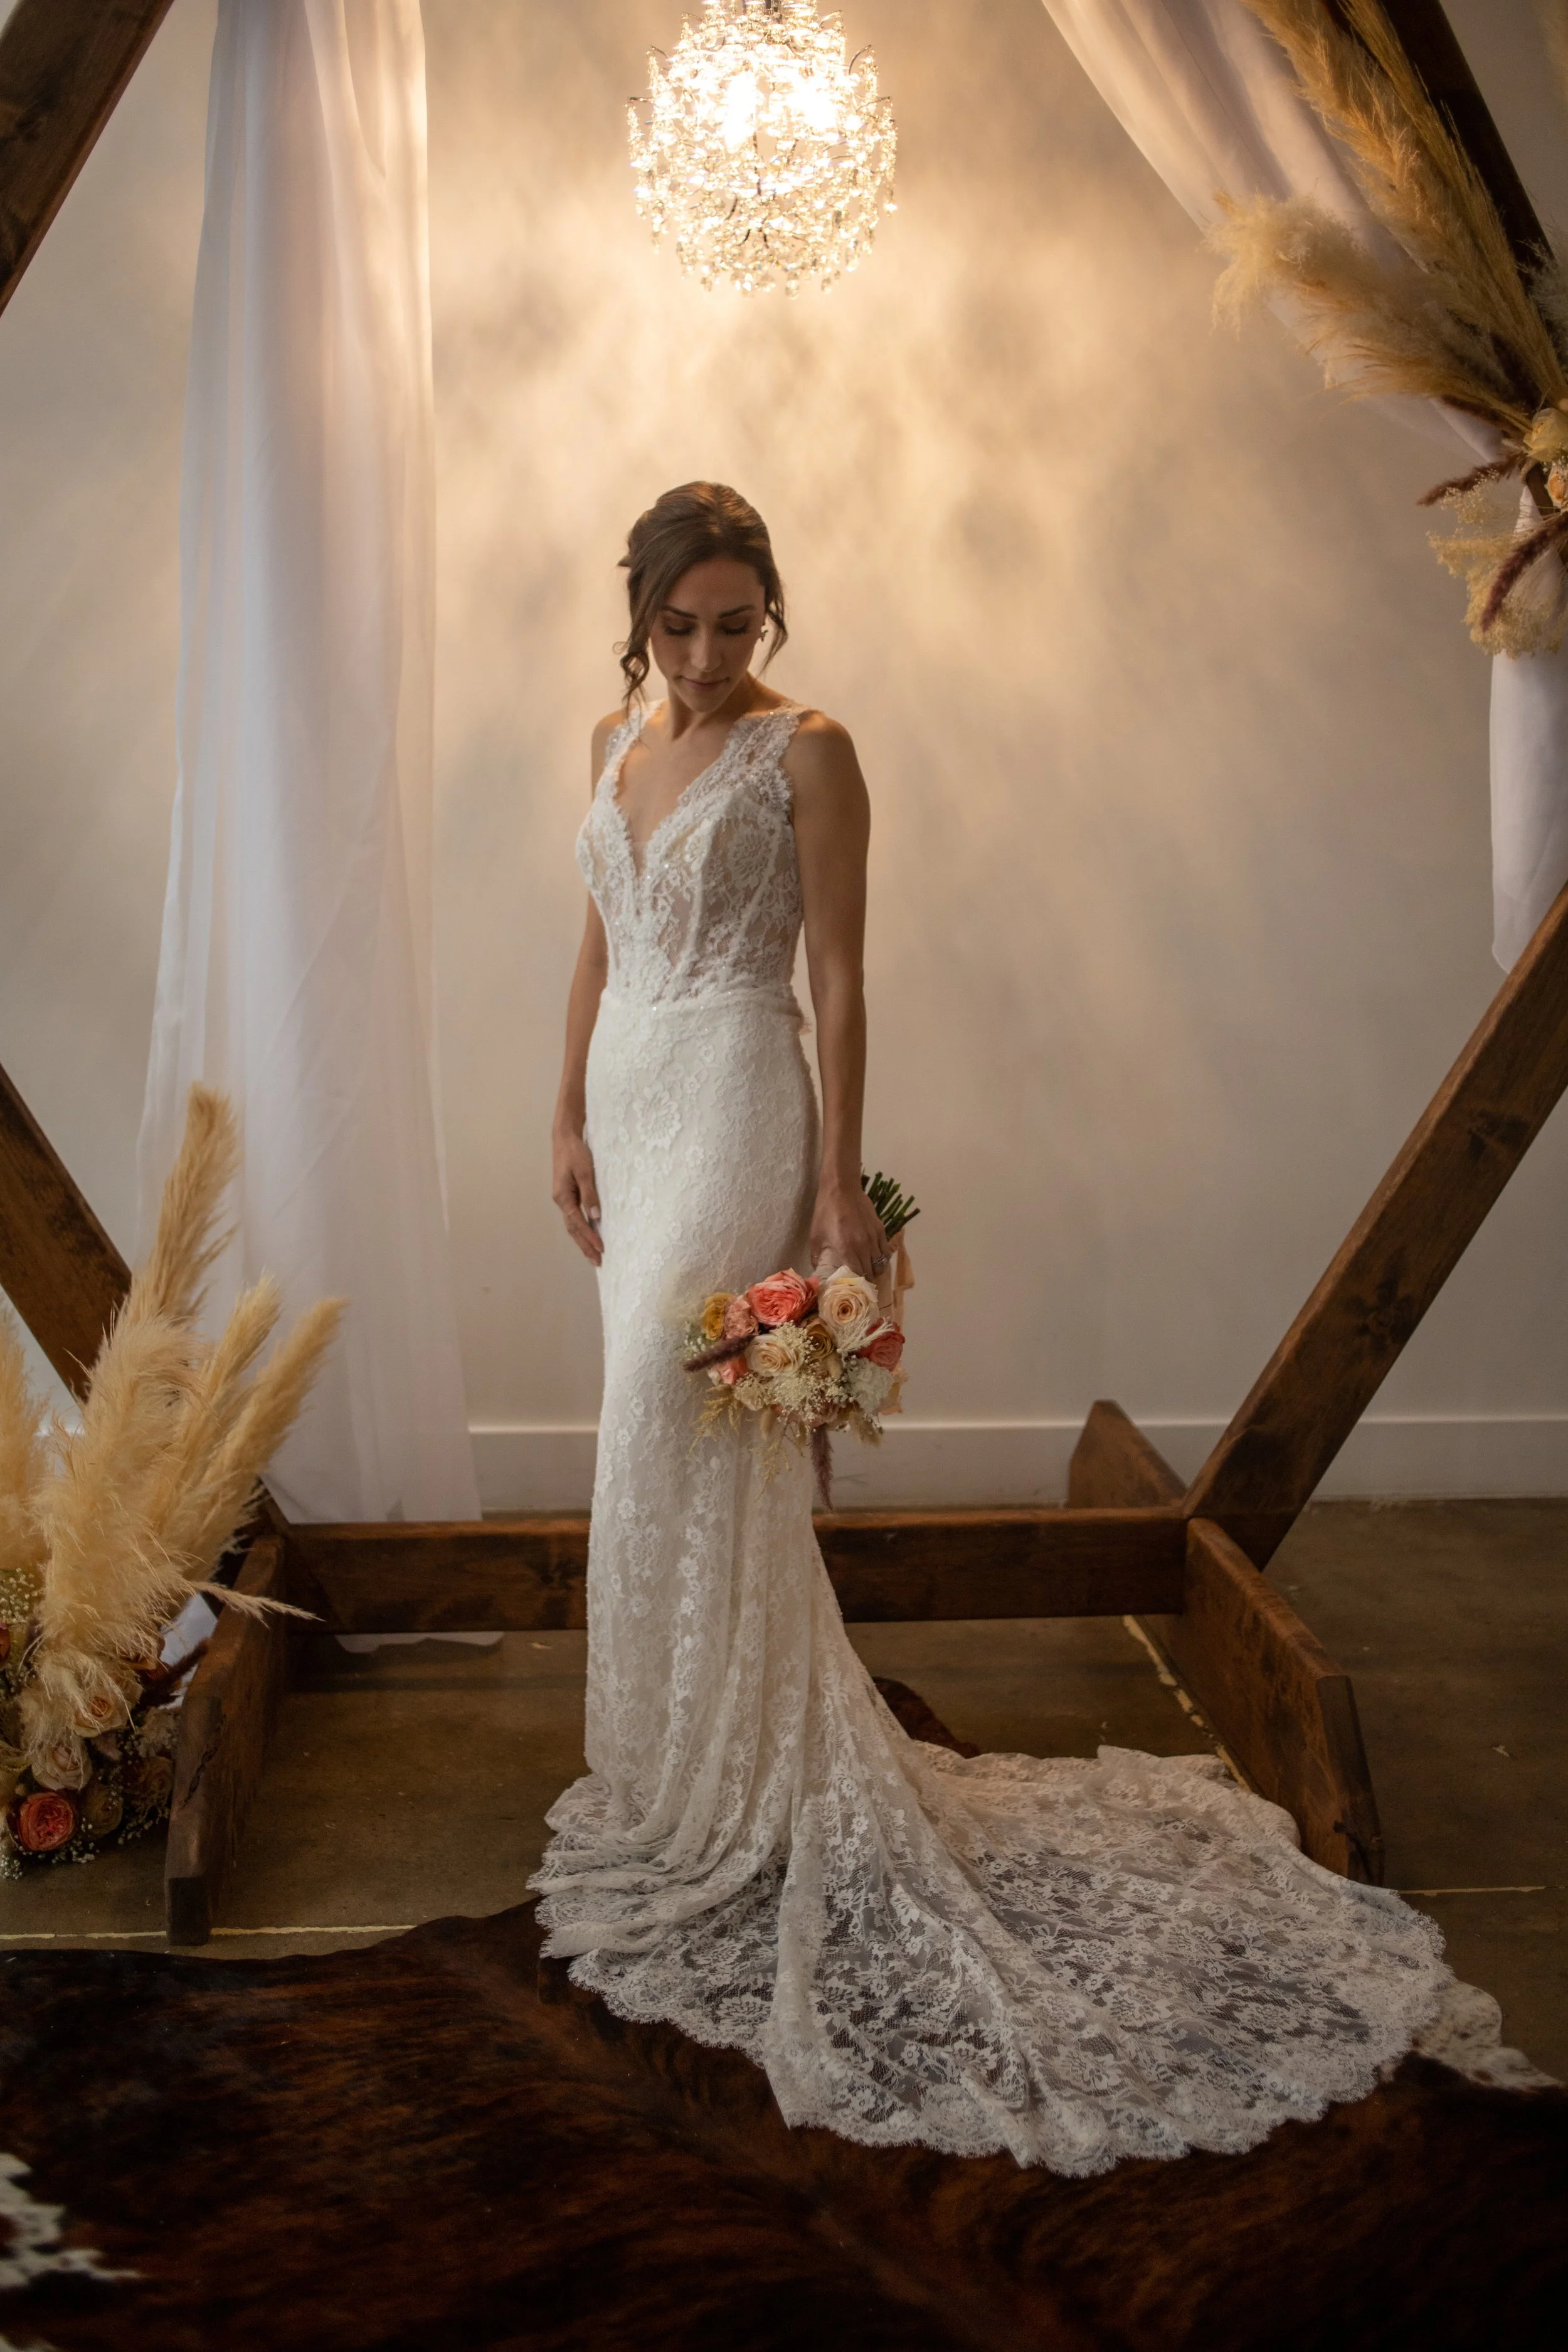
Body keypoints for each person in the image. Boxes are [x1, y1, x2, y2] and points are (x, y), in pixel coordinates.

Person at [532, 481, 1454, 2172]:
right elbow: (595, 939)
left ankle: (758, 1783)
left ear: (772, 615)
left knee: (687, 1415)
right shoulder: (610, 733)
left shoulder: (809, 750)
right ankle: (684, 1764)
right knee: (643, 1431)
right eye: (682, 624)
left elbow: (838, 975)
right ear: (641, 613)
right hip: (630, 1089)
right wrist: (561, 1114)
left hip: (738, 1089)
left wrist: (829, 1188)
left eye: (739, 622)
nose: (711, 652)